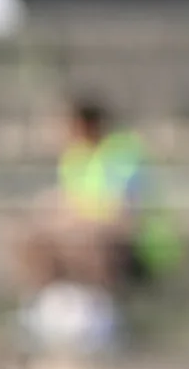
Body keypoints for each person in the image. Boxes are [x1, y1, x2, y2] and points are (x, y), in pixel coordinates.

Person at [12, 96, 179, 352]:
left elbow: (121, 213)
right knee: (34, 237)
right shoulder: (75, 156)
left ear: (85, 124)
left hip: (140, 247)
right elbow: (69, 202)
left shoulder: (124, 152)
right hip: (90, 236)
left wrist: (69, 218)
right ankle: (49, 310)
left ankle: (104, 316)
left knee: (91, 239)